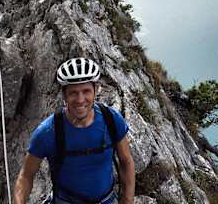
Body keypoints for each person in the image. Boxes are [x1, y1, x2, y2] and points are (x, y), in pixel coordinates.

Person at [14, 58, 135, 204]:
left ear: (95, 90)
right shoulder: (47, 132)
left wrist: (127, 200)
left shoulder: (111, 120)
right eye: (73, 93)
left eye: (86, 91)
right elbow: (26, 175)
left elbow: (126, 161)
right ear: (64, 95)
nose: (80, 99)